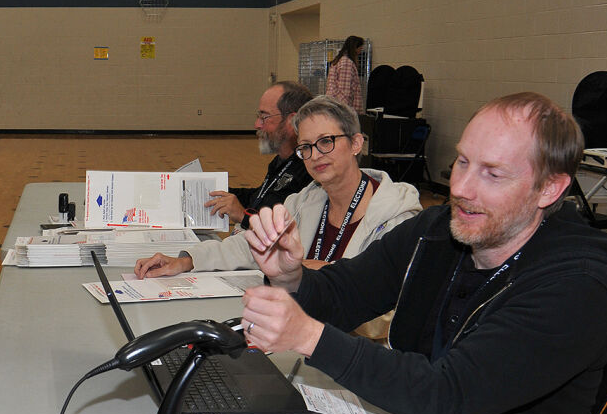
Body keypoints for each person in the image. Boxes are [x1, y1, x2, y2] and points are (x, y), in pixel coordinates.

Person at [240, 92, 607, 414]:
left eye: (493, 173)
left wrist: (308, 335)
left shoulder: (576, 287)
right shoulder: (441, 232)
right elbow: (344, 293)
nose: (463, 187)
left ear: (549, 189)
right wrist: (292, 277)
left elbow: (444, 395)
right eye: (463, 163)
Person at [135, 94, 420, 280]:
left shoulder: (396, 218)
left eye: (326, 142)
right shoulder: (304, 202)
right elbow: (250, 246)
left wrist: (298, 268)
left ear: (356, 143)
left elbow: (382, 289)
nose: (316, 155)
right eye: (306, 147)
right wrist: (186, 261)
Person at [204, 81, 314, 229]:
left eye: (264, 117)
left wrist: (243, 216)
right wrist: (213, 191)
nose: (257, 124)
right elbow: (260, 196)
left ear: (291, 121)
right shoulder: (281, 161)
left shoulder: (309, 171)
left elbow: (287, 235)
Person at [325, 34, 365, 112]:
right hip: (341, 108)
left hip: (336, 106)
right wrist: (346, 112)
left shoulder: (339, 60)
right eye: (360, 47)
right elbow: (344, 91)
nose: (361, 49)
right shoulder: (346, 63)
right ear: (355, 47)